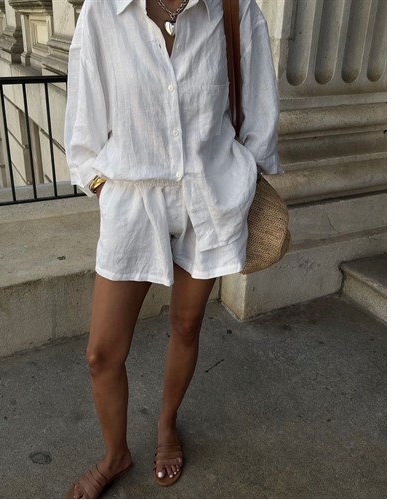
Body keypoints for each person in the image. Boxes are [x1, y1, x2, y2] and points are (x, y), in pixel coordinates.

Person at [64, 0, 282, 497]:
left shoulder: (233, 9)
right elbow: (83, 125)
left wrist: (242, 177)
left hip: (208, 196)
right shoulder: (103, 13)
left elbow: (260, 109)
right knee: (101, 353)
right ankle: (115, 455)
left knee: (186, 324)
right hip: (133, 200)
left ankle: (167, 424)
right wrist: (102, 187)